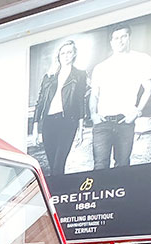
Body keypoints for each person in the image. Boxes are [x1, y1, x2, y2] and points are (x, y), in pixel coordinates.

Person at [89, 24, 151, 169]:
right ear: (111, 42)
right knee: (100, 166)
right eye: (116, 38)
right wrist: (93, 115)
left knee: (123, 165)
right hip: (103, 122)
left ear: (129, 38)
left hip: (125, 121)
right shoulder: (101, 67)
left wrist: (137, 112)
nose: (119, 41)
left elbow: (149, 89)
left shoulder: (141, 59)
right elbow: (94, 94)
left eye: (123, 36)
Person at [32, 40, 88, 176]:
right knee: (52, 165)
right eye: (63, 53)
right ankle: (55, 193)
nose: (66, 55)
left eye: (69, 52)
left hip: (67, 122)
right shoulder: (49, 76)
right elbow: (40, 102)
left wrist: (81, 129)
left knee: (59, 163)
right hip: (48, 123)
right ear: (58, 56)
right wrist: (35, 128)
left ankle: (58, 193)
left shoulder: (80, 75)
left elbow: (81, 101)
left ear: (74, 54)